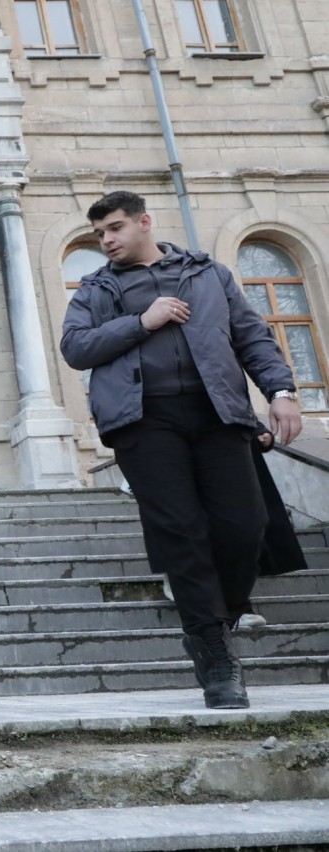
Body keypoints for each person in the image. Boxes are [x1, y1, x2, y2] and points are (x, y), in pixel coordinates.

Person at [61, 190, 302, 710]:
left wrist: (280, 393)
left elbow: (251, 337)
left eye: (116, 229)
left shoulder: (207, 274)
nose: (107, 241)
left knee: (246, 525)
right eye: (100, 234)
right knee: (183, 532)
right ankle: (216, 656)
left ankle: (219, 615)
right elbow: (76, 347)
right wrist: (141, 322)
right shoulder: (97, 289)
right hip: (144, 422)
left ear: (145, 222)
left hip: (217, 414)